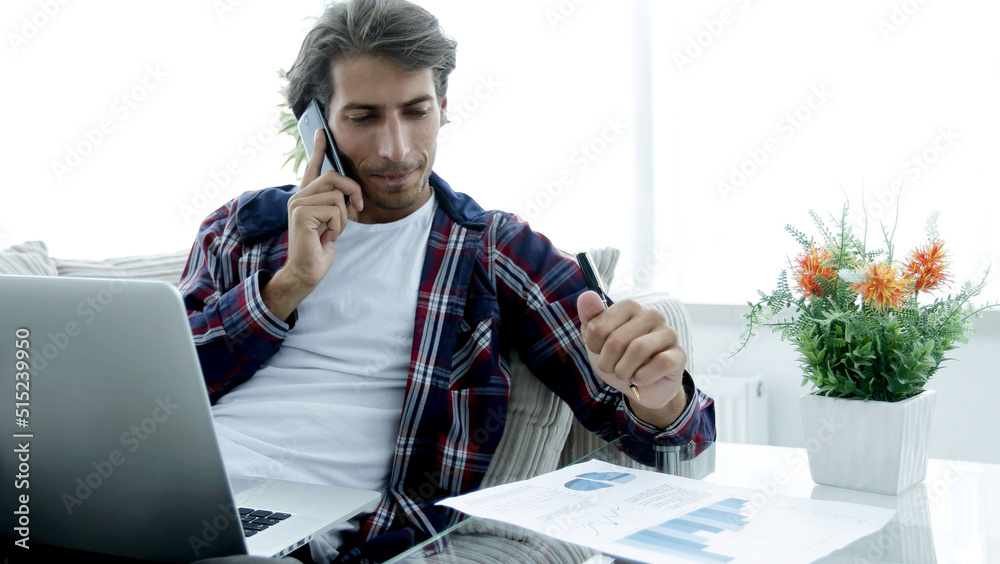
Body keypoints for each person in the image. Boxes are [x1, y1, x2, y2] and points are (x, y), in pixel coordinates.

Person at [178, 0, 715, 562]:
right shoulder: (242, 228)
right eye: (363, 117)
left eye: (416, 111)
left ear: (444, 107)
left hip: (294, 541)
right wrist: (288, 284)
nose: (397, 148)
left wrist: (658, 394)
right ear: (317, 124)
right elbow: (161, 395)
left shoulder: (493, 248)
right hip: (172, 488)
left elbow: (678, 438)